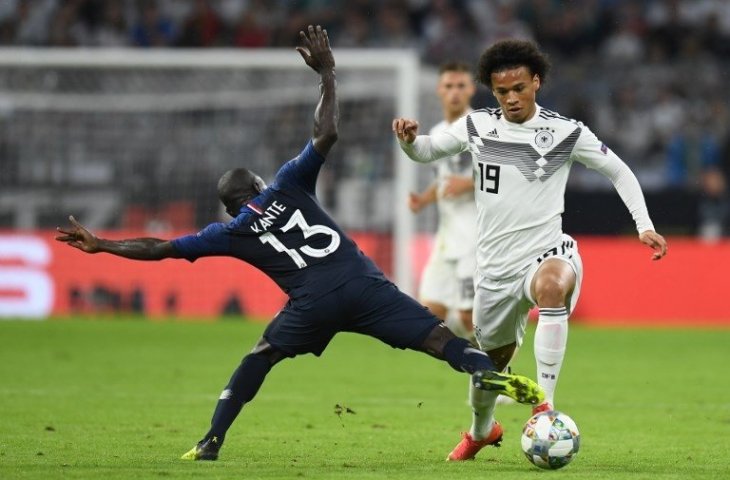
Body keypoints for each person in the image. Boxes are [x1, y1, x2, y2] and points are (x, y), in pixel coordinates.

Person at [56, 26, 544, 462]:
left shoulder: (228, 231)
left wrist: (101, 245)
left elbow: (159, 248)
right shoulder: (288, 184)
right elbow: (327, 131)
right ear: (261, 182)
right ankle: (482, 371)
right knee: (442, 340)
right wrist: (327, 72)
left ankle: (211, 441)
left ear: (230, 206)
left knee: (260, 356)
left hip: (311, 304)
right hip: (362, 283)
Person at [393, 39, 668, 461]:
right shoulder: (477, 126)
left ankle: (545, 409)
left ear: (536, 82)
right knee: (488, 369)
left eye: (519, 88)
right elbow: (427, 150)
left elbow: (617, 169)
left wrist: (644, 225)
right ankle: (481, 431)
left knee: (553, 289)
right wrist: (410, 141)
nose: (511, 98)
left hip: (546, 251)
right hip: (494, 270)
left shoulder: (565, 131)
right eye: (502, 92)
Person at [408, 61, 477, 339]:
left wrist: (470, 183)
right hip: (447, 235)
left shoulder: (481, 129)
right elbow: (445, 180)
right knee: (430, 311)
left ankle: (496, 361)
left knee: (467, 318)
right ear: (439, 89)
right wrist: (424, 200)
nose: (455, 92)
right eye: (449, 86)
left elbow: (507, 174)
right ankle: (474, 360)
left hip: (475, 236)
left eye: (461, 86)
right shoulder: (437, 133)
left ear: (472, 89)